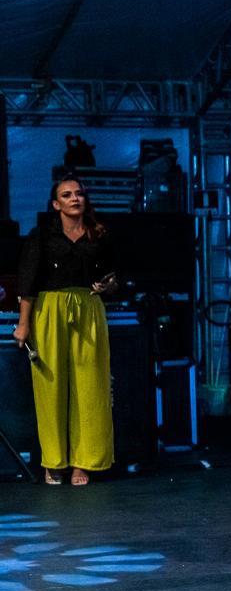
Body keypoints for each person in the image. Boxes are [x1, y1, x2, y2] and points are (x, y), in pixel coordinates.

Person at [14, 175, 117, 486]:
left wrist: (109, 285)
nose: (75, 198)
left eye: (79, 193)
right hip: (51, 308)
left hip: (88, 307)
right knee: (51, 386)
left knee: (91, 385)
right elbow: (28, 281)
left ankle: (83, 462)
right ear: (56, 204)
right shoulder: (43, 236)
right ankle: (54, 461)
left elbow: (114, 278)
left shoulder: (98, 234)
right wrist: (23, 323)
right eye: (67, 195)